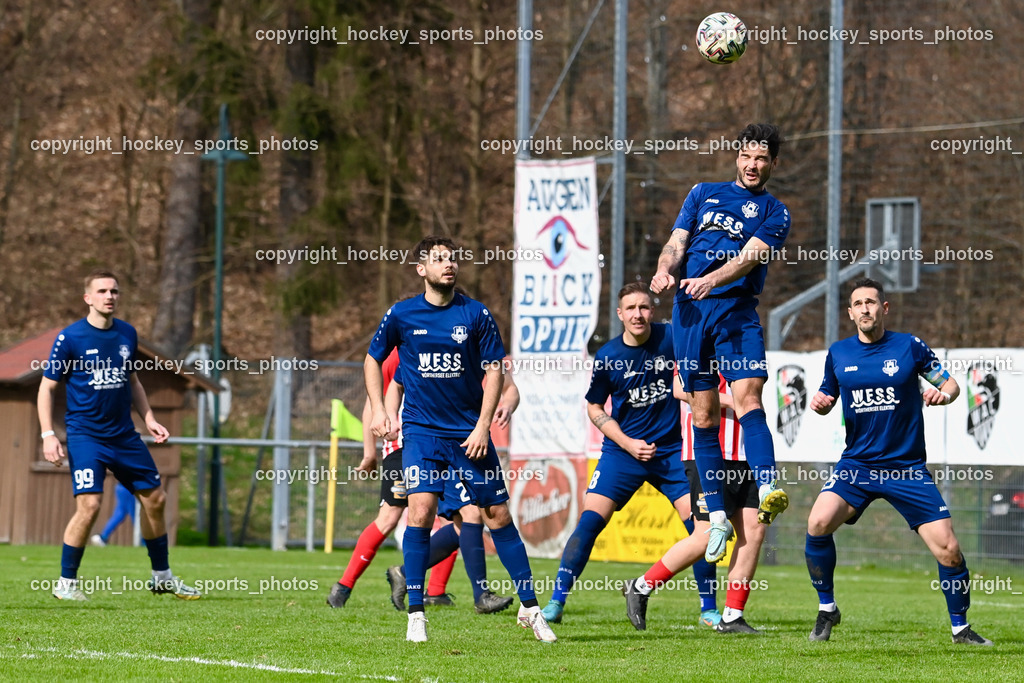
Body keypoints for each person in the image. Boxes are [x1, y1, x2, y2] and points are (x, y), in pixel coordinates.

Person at [365, 235, 556, 643]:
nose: (447, 264)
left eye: (451, 259)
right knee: (419, 511)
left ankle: (530, 607)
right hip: (422, 432)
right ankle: (416, 615)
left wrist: (483, 426)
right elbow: (372, 359)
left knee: (497, 516)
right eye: (438, 259)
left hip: (469, 432)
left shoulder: (476, 315)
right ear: (421, 270)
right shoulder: (401, 314)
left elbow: (495, 372)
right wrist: (381, 411)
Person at [805, 278, 992, 645]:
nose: (865, 309)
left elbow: (950, 383)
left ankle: (960, 628)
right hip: (856, 466)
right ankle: (827, 608)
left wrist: (945, 395)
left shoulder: (908, 346)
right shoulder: (839, 353)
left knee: (949, 549)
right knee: (818, 522)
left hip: (905, 467)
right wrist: (821, 403)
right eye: (857, 303)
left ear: (884, 308)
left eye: (871, 302)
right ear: (849, 312)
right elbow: (827, 392)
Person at [650, 122, 792, 563]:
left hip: (736, 313)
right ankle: (715, 517)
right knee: (704, 415)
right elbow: (676, 242)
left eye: (762, 159)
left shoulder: (775, 211)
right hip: (690, 315)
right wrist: (664, 270)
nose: (753, 165)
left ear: (772, 163)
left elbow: (749, 258)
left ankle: (767, 485)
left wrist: (709, 280)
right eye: (747, 156)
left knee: (749, 398)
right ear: (737, 157)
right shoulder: (701, 193)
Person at [540, 282, 718, 627]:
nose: (638, 314)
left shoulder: (671, 339)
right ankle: (556, 602)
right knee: (590, 521)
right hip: (622, 453)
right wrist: (626, 442)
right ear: (620, 314)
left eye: (644, 307)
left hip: (670, 454)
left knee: (702, 528)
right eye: (631, 309)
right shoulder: (608, 356)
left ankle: (708, 609)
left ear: (652, 310)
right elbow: (593, 407)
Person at [38, 270, 200, 601]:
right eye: (102, 291)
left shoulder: (127, 334)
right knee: (90, 505)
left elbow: (134, 382)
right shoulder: (70, 338)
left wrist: (150, 418)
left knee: (156, 499)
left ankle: (162, 577)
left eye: (114, 291)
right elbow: (46, 388)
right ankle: (66, 584)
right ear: (88, 298)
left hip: (124, 436)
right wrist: (47, 435)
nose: (109, 296)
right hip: (86, 437)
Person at [623, 373, 768, 634]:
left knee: (754, 531)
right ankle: (641, 586)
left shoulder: (747, 344)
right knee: (707, 535)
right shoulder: (697, 338)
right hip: (708, 453)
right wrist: (733, 400)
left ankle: (733, 616)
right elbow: (679, 389)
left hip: (747, 454)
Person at [386, 362, 519, 614]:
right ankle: (481, 595)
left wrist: (508, 406)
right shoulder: (430, 345)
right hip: (436, 445)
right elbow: (395, 384)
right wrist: (390, 417)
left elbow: (511, 388)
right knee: (471, 514)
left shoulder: (482, 349)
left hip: (471, 445)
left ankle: (403, 572)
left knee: (464, 525)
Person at [90, 482, 137, 547]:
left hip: (121, 487)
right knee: (135, 516)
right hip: (128, 488)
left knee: (120, 513)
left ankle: (103, 537)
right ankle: (146, 542)